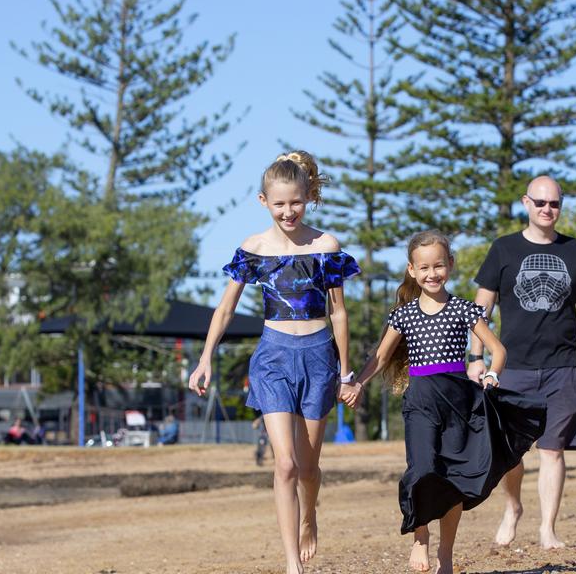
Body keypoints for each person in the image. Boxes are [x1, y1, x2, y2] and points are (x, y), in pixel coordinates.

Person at [189, 151, 358, 574]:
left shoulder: (326, 247)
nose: (288, 211)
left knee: (308, 467)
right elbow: (225, 309)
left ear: (308, 197)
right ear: (264, 201)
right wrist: (205, 358)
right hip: (273, 358)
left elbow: (338, 312)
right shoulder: (253, 249)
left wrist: (345, 370)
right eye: (279, 203)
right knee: (284, 464)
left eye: (295, 202)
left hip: (319, 357)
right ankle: (291, 564)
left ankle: (309, 515)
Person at [342, 231, 544, 574]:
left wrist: (493, 376)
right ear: (411, 270)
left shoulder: (464, 309)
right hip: (420, 403)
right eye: (424, 267)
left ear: (450, 264)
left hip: (460, 404)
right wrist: (358, 383)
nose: (432, 273)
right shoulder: (402, 316)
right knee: (422, 471)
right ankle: (420, 537)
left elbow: (499, 350)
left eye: (439, 265)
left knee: (454, 482)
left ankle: (446, 556)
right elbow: (379, 356)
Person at [469, 175, 576, 549]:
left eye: (554, 203)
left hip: (563, 366)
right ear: (526, 203)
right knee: (510, 451)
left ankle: (548, 528)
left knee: (552, 449)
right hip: (512, 366)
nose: (547, 209)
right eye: (541, 203)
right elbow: (482, 306)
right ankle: (513, 507)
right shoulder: (503, 249)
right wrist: (477, 356)